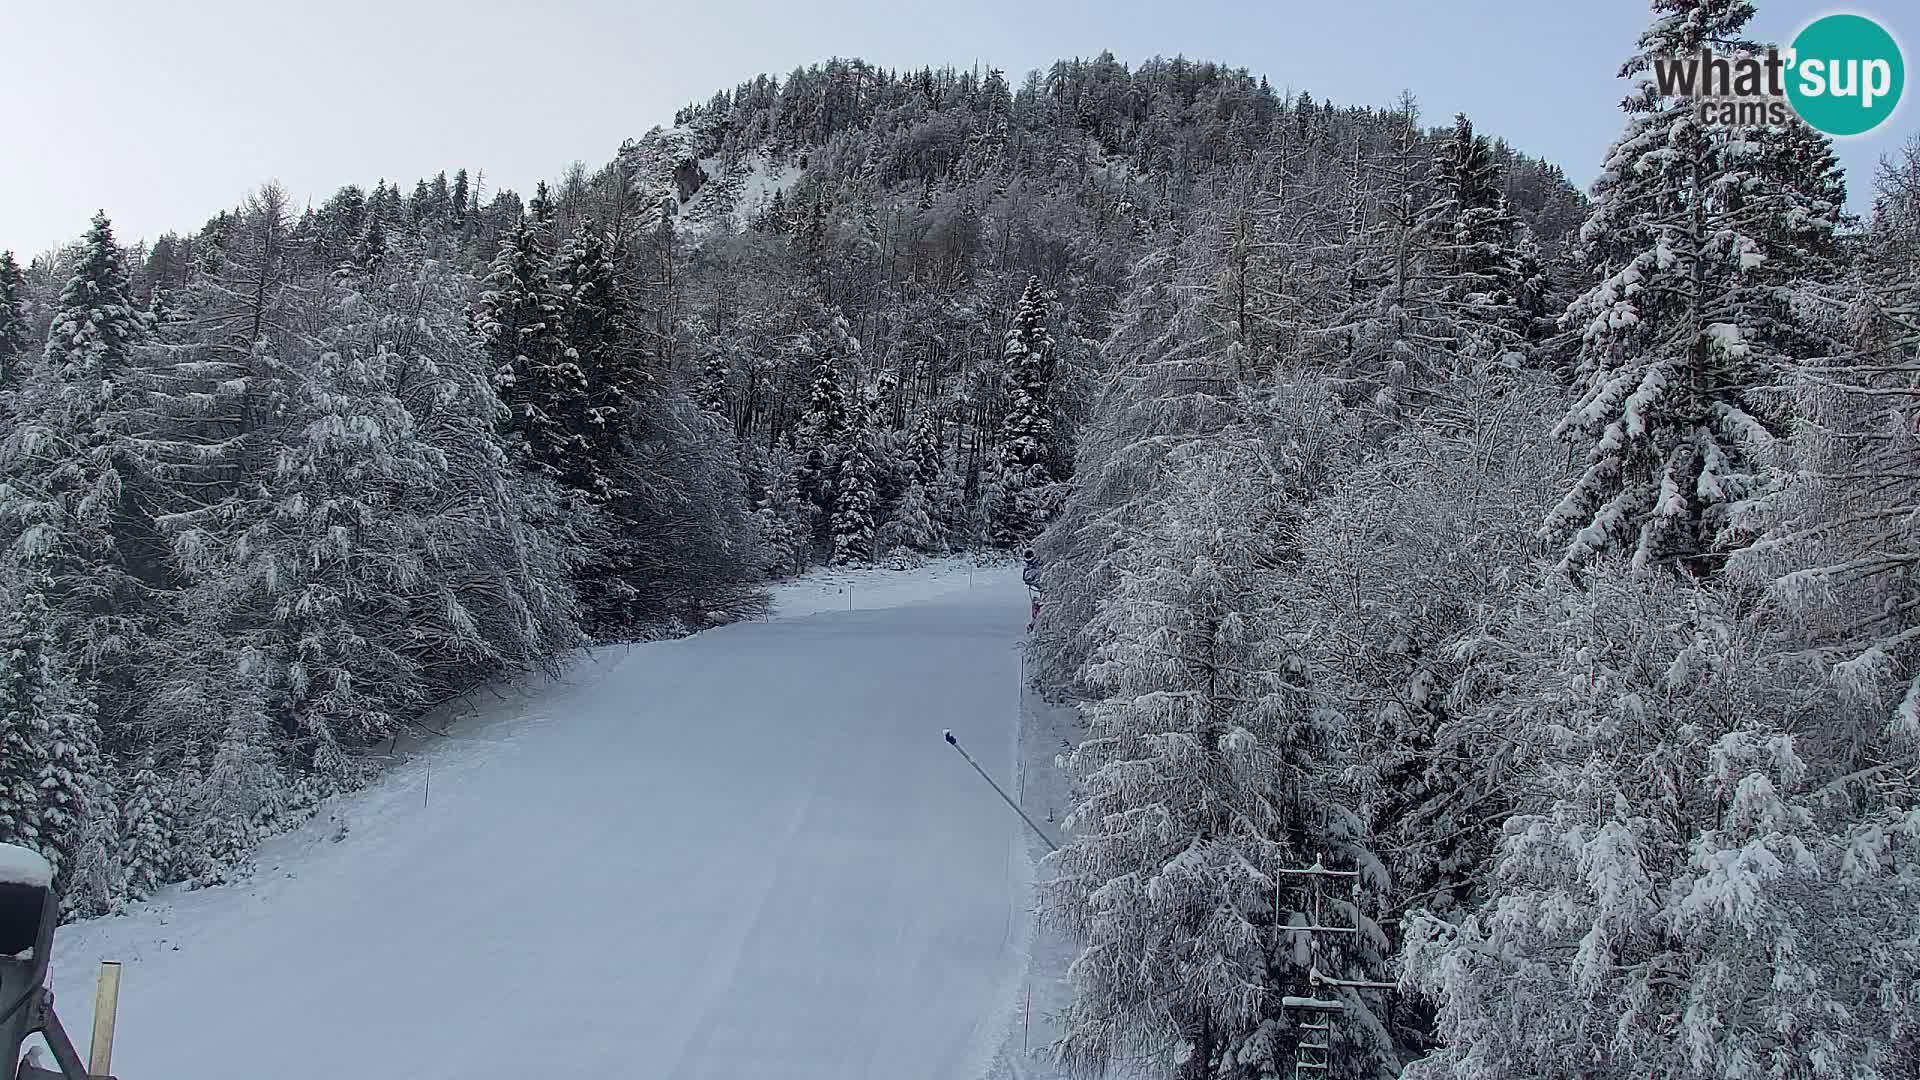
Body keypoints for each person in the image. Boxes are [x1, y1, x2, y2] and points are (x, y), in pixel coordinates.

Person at [1022, 548, 1041, 632]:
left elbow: (1027, 578)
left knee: (1039, 606)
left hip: (1040, 589)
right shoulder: (1030, 566)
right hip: (1035, 589)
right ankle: (1034, 624)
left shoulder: (1038, 564)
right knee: (1036, 607)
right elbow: (1026, 578)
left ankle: (1036, 624)